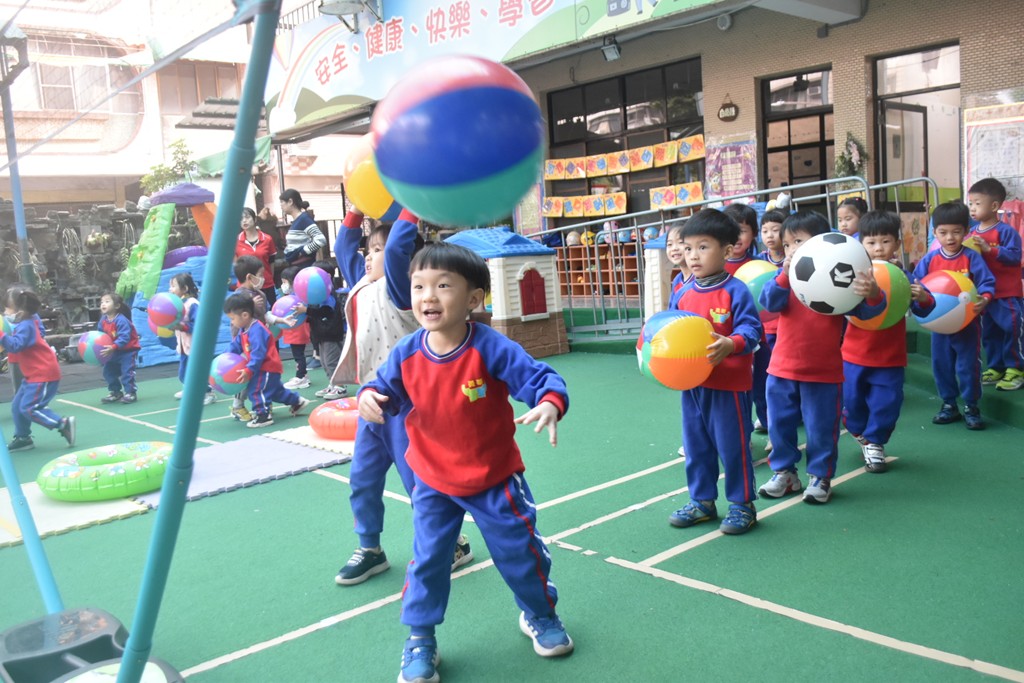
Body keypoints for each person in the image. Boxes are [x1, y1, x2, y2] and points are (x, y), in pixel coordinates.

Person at [357, 242, 573, 683]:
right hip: (433, 481)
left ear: (473, 298)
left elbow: (540, 379)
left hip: (495, 478)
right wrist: (369, 397)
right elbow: (380, 387)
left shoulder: (491, 347)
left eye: (443, 286)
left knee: (521, 552)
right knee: (428, 561)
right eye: (419, 286)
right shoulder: (407, 352)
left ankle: (540, 613)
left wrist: (550, 402)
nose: (428, 296)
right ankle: (420, 638)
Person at [329, 209, 474, 585]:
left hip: (409, 405)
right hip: (370, 402)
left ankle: (453, 542)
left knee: (420, 484)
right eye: (368, 250)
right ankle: (370, 548)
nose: (369, 256)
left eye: (376, 250)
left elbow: (396, 249)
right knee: (362, 479)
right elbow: (343, 248)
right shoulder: (361, 284)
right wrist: (355, 210)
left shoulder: (402, 291)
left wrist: (411, 203)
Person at [757, 211, 886, 504]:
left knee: (821, 429)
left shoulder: (837, 280)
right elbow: (768, 302)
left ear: (821, 244)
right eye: (787, 244)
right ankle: (784, 473)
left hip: (823, 373)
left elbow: (867, 312)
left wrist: (874, 293)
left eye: (798, 242)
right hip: (781, 369)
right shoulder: (786, 280)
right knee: (779, 426)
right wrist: (783, 275)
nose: (791, 250)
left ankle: (820, 477)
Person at [666, 209, 762, 534]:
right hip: (692, 386)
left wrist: (731, 343)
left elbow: (752, 330)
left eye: (703, 247)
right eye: (688, 247)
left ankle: (742, 505)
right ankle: (702, 501)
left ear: (727, 250)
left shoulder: (736, 291)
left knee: (733, 448)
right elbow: (668, 330)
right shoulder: (682, 292)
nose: (693, 255)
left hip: (729, 387)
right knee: (696, 447)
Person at [842, 211, 934, 472]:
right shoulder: (852, 276)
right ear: (861, 244)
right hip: (854, 356)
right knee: (852, 403)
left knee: (887, 403)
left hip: (890, 358)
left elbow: (925, 309)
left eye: (885, 241)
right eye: (871, 242)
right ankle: (858, 429)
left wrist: (924, 298)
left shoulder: (904, 277)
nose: (879, 248)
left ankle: (875, 442)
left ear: (897, 243)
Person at [913, 201, 995, 429]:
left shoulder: (972, 258)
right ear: (935, 232)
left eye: (956, 232)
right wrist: (918, 296)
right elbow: (917, 283)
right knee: (941, 365)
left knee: (968, 366)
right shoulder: (930, 260)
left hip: (967, 324)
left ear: (966, 230)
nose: (950, 237)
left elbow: (987, 283)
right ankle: (949, 404)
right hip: (939, 324)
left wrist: (985, 298)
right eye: (943, 232)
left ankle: (971, 406)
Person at [0, 286, 75, 452]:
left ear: (20, 311)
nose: (5, 313)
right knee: (17, 406)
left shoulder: (27, 325)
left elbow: (15, 346)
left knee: (29, 408)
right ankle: (23, 438)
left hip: (43, 374)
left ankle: (62, 424)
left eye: (7, 308)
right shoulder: (25, 321)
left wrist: (1, 335)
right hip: (33, 374)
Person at [966, 177, 1024, 391]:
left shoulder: (1006, 231)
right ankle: (996, 367)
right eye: (970, 203)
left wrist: (990, 249)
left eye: (977, 203)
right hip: (984, 294)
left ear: (994, 206)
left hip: (1006, 292)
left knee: (1012, 328)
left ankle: (1016, 369)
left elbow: (1015, 257)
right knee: (989, 332)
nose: (972, 208)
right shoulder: (972, 234)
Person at [223, 292, 309, 428]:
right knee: (275, 392)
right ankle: (297, 401)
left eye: (232, 318)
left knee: (256, 391)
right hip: (262, 368)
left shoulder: (257, 330)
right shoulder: (244, 329)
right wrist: (225, 358)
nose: (232, 322)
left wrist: (249, 370)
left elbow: (259, 354)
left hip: (266, 368)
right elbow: (236, 345)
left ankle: (263, 416)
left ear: (245, 315)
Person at [229, 255, 296, 421]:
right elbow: (237, 318)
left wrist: (281, 320)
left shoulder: (260, 294)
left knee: (261, 375)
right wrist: (250, 304)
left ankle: (265, 403)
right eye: (260, 274)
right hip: (244, 343)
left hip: (258, 341)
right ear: (249, 277)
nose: (263, 278)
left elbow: (266, 314)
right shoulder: (239, 296)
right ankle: (238, 405)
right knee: (246, 374)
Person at [752, 209, 787, 438]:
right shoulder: (758, 261)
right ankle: (768, 414)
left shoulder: (791, 260)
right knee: (765, 374)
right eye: (765, 231)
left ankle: (786, 410)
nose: (770, 235)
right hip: (764, 330)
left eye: (775, 230)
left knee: (781, 375)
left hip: (783, 327)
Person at [664, 221, 692, 459]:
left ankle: (739, 441)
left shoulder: (702, 280)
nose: (674, 248)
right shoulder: (677, 281)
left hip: (704, 348)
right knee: (690, 402)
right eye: (669, 244)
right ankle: (694, 441)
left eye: (680, 243)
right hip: (686, 351)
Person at [169, 272, 216, 405]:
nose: (170, 289)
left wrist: (182, 326)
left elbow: (200, 326)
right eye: (170, 286)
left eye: (173, 286)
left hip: (197, 346)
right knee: (184, 373)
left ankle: (208, 393)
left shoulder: (192, 304)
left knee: (198, 372)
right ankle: (190, 390)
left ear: (184, 289)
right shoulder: (176, 304)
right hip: (185, 346)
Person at [307, 260, 348, 400]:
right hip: (321, 334)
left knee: (332, 360)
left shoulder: (329, 295)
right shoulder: (316, 294)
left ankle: (340, 386)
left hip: (331, 334)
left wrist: (306, 310)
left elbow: (326, 312)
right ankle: (332, 384)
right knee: (324, 361)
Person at [97, 291, 140, 404]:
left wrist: (113, 346)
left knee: (127, 372)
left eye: (107, 301)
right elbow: (100, 335)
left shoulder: (121, 320)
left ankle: (131, 392)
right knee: (108, 372)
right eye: (102, 302)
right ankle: (116, 392)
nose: (103, 304)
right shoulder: (103, 320)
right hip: (113, 351)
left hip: (127, 351)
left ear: (116, 306)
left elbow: (124, 338)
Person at [236, 206, 279, 307]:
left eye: (247, 217)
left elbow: (271, 262)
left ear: (255, 219)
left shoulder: (267, 239)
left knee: (271, 311)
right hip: (246, 287)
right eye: (241, 219)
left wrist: (268, 278)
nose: (244, 221)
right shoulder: (235, 241)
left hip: (266, 283)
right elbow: (236, 265)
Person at [279, 266, 312, 390]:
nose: (283, 285)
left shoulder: (298, 297)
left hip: (297, 330)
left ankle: (301, 377)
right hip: (294, 330)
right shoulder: (293, 296)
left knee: (298, 355)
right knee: (298, 354)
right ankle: (303, 374)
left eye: (285, 282)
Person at [280, 189, 326, 270]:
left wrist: (302, 252)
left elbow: (321, 240)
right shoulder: (298, 220)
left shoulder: (303, 219)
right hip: (297, 266)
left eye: (282, 202)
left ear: (290, 202)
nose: (280, 205)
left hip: (303, 267)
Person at [722, 202, 758, 273]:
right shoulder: (714, 265)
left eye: (741, 231)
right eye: (731, 231)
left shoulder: (758, 265)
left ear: (754, 234)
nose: (736, 237)